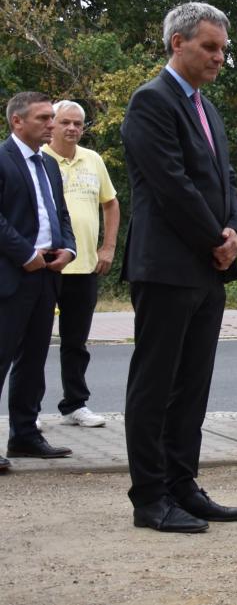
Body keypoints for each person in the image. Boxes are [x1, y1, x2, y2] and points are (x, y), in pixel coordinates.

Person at [120, 3, 237, 532]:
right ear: (178, 43)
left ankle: (182, 484)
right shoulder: (151, 101)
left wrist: (235, 233)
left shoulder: (207, 108)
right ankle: (149, 497)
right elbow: (171, 182)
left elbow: (228, 179)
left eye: (223, 48)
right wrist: (211, 239)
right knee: (155, 385)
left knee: (192, 385)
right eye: (210, 47)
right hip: (169, 265)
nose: (220, 57)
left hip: (207, 268)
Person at [1, 91, 77, 471]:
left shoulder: (48, 164)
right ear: (17, 121)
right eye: (44, 118)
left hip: (46, 276)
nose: (52, 124)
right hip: (11, 276)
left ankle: (25, 435)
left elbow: (60, 213)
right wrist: (25, 253)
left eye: (52, 117)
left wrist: (69, 249)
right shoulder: (2, 159)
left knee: (33, 359)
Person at [42, 99, 119, 428]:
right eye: (65, 123)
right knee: (31, 342)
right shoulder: (38, 158)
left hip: (85, 265)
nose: (72, 128)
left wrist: (108, 247)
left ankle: (75, 404)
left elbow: (111, 204)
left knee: (76, 341)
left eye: (78, 123)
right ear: (52, 126)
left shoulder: (93, 160)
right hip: (45, 267)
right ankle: (28, 411)